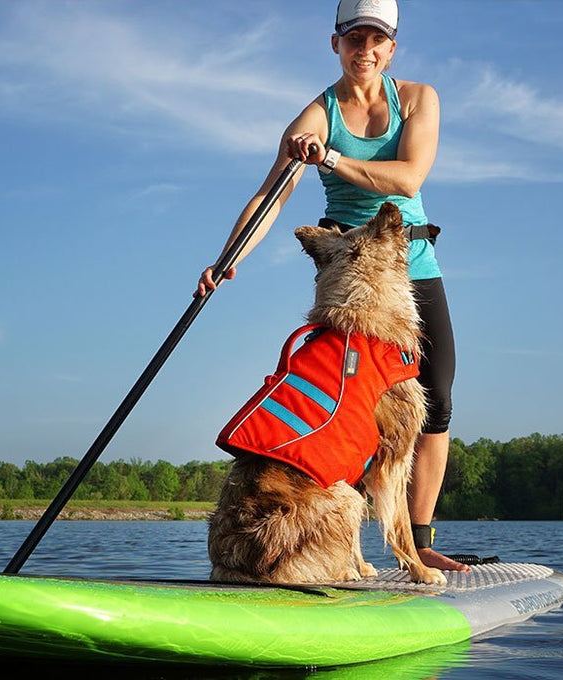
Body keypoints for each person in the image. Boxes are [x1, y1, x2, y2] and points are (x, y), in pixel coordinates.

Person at [195, 0, 469, 572]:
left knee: (436, 398)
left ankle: (418, 541)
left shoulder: (419, 99)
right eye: (353, 38)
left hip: (411, 263)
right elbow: (270, 198)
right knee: (348, 404)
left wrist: (334, 160)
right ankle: (337, 538)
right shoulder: (315, 116)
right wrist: (225, 260)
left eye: (375, 39)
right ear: (336, 44)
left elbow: (409, 176)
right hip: (350, 272)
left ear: (391, 48)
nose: (363, 49)